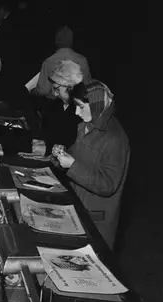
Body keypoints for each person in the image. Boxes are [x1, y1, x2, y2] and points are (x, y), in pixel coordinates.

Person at [52, 80, 130, 249]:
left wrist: (72, 165)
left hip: (96, 223)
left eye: (81, 107)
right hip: (78, 211)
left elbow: (108, 185)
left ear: (96, 104)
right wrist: (60, 155)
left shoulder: (114, 139)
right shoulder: (86, 127)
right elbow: (77, 158)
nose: (77, 112)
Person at [32, 60, 84, 157]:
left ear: (70, 87)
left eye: (57, 89)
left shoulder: (82, 111)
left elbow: (76, 146)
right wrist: (39, 141)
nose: (55, 94)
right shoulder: (54, 105)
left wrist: (48, 148)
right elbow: (44, 131)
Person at [35, 26, 91, 99]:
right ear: (71, 41)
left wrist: (34, 91)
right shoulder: (82, 60)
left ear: (56, 41)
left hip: (55, 104)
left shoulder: (48, 62)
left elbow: (43, 90)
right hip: (77, 103)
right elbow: (88, 87)